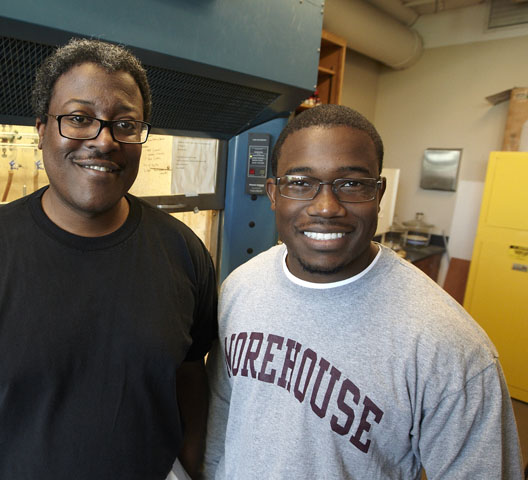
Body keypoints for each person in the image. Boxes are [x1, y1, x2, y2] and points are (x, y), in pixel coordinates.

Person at [0, 38, 217, 480]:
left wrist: (189, 467)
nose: (104, 141)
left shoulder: (185, 254)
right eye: (79, 119)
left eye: (125, 123)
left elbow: (189, 383)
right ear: (41, 129)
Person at [203, 104, 523, 479]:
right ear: (274, 193)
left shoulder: (451, 347)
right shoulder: (240, 287)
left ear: (379, 192)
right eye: (301, 183)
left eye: (352, 184)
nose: (326, 207)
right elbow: (222, 415)